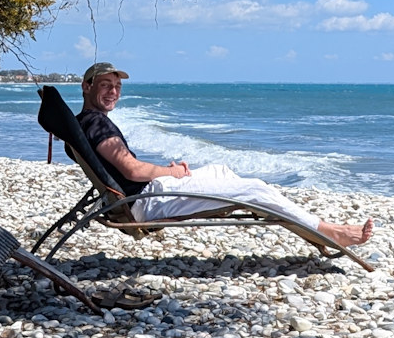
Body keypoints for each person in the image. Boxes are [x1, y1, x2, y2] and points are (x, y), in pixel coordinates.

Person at [74, 63, 374, 248]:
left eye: (117, 86)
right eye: (105, 85)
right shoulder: (96, 123)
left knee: (221, 171)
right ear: (87, 87)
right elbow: (132, 171)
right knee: (255, 189)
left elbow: (126, 169)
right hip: (146, 202)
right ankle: (329, 231)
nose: (113, 91)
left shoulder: (86, 121)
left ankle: (307, 222)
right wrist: (172, 173)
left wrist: (167, 172)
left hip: (145, 194)